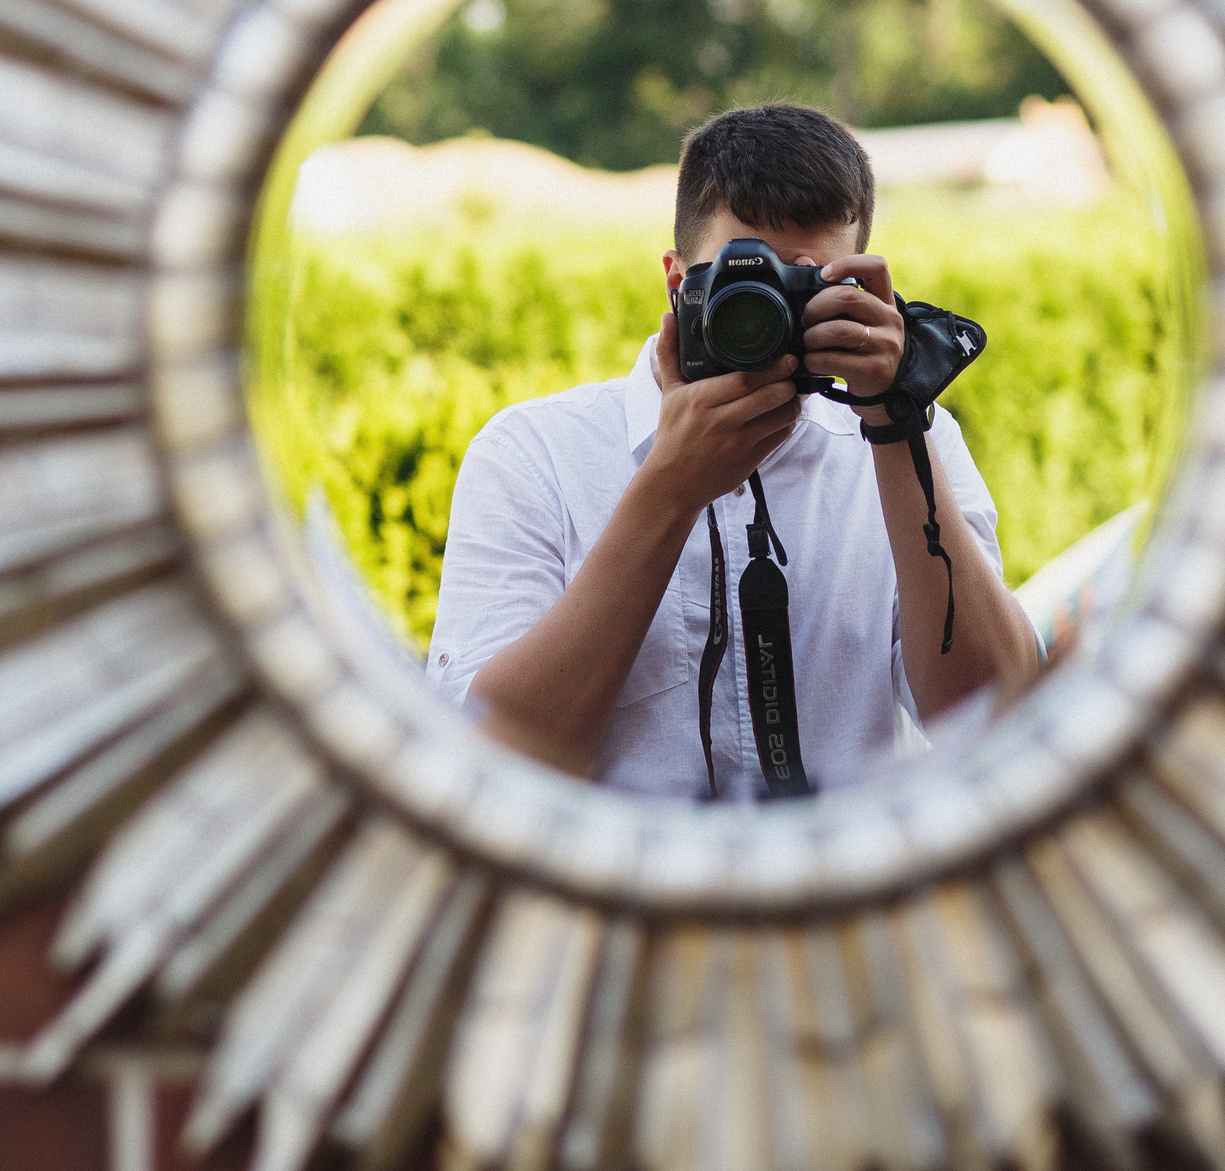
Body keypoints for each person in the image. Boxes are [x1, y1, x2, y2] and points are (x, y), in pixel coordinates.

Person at [425, 102, 1042, 800]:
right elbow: (487, 758)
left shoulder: (913, 442)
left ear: (859, 290)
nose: (769, 317)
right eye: (744, 282)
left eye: (805, 288)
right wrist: (669, 490)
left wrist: (896, 421)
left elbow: (1002, 719)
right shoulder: (533, 455)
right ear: (673, 282)